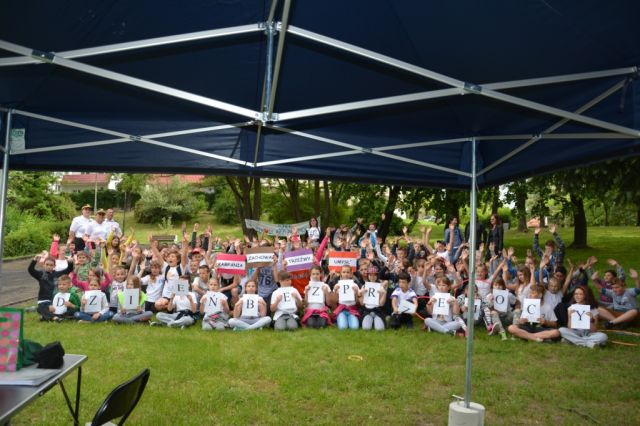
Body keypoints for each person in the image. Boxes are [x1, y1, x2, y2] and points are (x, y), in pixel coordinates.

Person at [28, 254, 74, 321]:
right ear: (43, 265)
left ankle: (45, 317)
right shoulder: (40, 274)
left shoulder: (57, 274)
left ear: (54, 266)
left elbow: (69, 269)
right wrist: (34, 260)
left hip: (55, 299)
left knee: (69, 309)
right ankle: (55, 318)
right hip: (44, 301)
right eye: (47, 264)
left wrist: (70, 262)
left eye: (51, 265)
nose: (49, 266)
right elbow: (30, 270)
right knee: (40, 309)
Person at [332, 265, 361, 330]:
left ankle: (349, 319)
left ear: (351, 274)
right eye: (344, 272)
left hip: (352, 309)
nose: (346, 274)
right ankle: (340, 318)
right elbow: (334, 301)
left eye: (348, 272)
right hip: (341, 310)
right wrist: (335, 290)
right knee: (342, 327)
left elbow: (357, 301)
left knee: (354, 327)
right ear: (341, 274)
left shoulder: (355, 285)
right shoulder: (337, 285)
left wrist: (356, 292)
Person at [358, 266, 386, 331]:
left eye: (374, 275)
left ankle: (376, 320)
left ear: (377, 276)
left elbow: (381, 304)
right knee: (366, 328)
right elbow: (362, 303)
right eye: (370, 275)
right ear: (368, 276)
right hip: (367, 311)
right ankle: (371, 321)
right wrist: (360, 294)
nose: (372, 277)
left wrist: (384, 294)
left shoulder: (380, 287)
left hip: (377, 311)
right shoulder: (364, 286)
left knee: (380, 329)